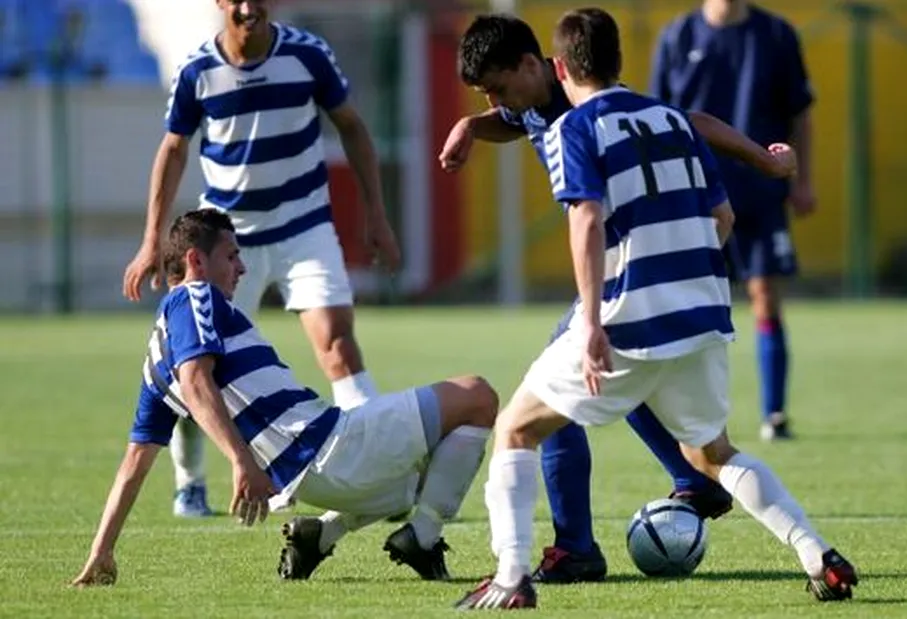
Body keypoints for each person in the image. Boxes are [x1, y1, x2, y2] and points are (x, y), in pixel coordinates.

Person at [453, 8, 857, 610]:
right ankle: (819, 557)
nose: (499, 100)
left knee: (518, 427)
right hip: (701, 308)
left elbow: (586, 218)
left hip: (625, 311)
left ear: (555, 67)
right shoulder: (669, 117)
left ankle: (514, 578)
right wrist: (763, 166)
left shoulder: (574, 130)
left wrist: (591, 319)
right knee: (715, 453)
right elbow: (723, 218)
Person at [71, 209, 495, 588]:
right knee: (478, 396)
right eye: (231, 256)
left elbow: (134, 465)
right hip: (332, 446)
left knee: (427, 468)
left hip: (313, 476)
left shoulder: (154, 364)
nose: (241, 267)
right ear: (195, 262)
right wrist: (241, 461)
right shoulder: (195, 297)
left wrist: (101, 551)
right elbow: (197, 380)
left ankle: (319, 535)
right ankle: (422, 538)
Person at [121, 0, 402, 518]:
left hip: (305, 226)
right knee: (197, 361)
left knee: (338, 342)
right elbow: (174, 149)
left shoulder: (308, 54)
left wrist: (377, 216)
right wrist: (151, 242)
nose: (250, 8)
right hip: (227, 239)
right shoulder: (197, 70)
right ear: (220, 3)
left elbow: (353, 127)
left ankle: (377, 467)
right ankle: (190, 484)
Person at [650, 0, 817, 440]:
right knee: (691, 303)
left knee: (764, 294)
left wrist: (802, 180)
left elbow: (800, 113)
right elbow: (656, 120)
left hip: (760, 192)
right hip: (696, 194)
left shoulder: (776, 35)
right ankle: (687, 417)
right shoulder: (676, 37)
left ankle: (774, 414)